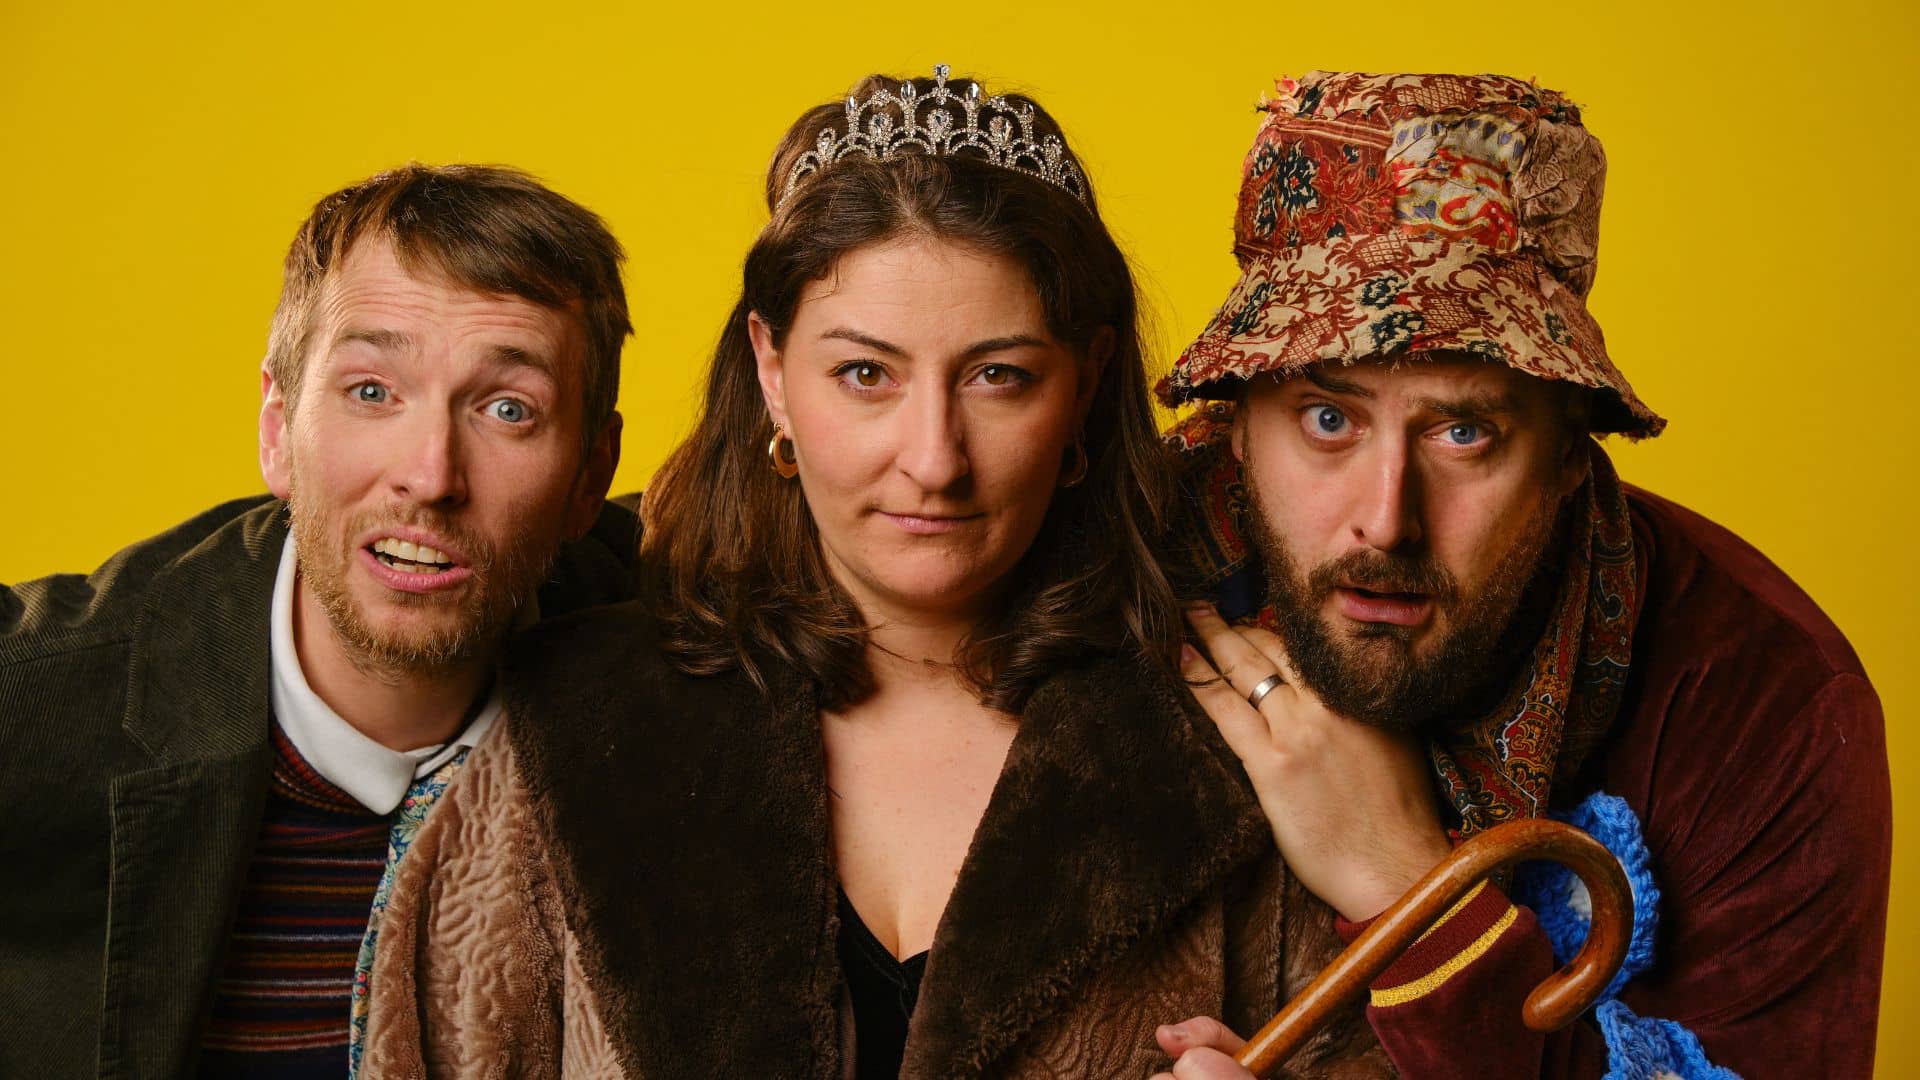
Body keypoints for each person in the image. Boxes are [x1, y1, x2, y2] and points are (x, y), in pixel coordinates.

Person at [357, 68, 1392, 1077]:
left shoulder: (1245, 752)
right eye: (865, 373)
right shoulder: (567, 733)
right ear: (772, 371)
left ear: (1084, 386)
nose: (934, 458)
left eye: (999, 377)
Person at [1150, 71, 1890, 1078]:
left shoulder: (1765, 701)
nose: (1386, 520)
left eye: (1464, 432)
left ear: (1570, 448)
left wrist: (1408, 886)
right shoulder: (1094, 580)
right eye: (1328, 419)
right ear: (1234, 424)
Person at [0, 163, 636, 1077]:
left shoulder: (684, 661)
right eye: (371, 391)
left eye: (508, 410)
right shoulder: (37, 705)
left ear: (590, 476)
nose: (430, 475)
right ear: (276, 428)